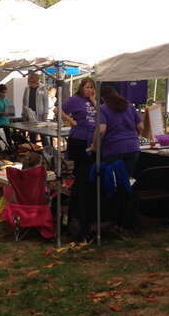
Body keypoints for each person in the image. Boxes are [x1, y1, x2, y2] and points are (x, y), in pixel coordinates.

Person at [95, 84, 144, 231]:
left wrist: (95, 145)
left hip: (113, 149)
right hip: (133, 148)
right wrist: (135, 137)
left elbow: (102, 129)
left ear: (102, 97)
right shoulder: (129, 106)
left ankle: (114, 218)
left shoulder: (103, 109)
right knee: (126, 183)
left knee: (112, 185)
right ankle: (129, 219)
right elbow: (141, 125)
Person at [62, 78, 97, 241]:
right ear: (81, 88)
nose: (89, 89)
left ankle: (79, 212)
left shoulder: (93, 101)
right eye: (86, 87)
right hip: (79, 139)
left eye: (91, 87)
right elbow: (59, 110)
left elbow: (101, 118)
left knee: (85, 177)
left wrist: (94, 101)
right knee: (82, 174)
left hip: (92, 140)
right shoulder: (74, 100)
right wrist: (71, 121)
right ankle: (79, 218)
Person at [0, 84, 14, 150]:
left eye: (5, 92)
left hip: (6, 123)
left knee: (8, 139)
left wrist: (11, 112)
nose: (4, 94)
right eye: (3, 92)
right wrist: (0, 114)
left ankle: (9, 153)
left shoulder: (7, 99)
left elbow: (10, 111)